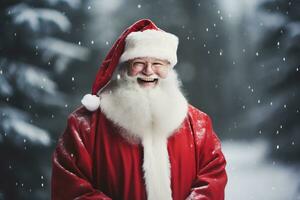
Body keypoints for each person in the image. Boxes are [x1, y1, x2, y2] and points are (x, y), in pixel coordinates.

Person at [51, 19, 227, 200]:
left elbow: (212, 176)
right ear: (125, 66)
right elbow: (71, 188)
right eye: (139, 62)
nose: (149, 71)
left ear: (169, 67)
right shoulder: (84, 126)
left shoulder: (198, 123)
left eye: (158, 63)